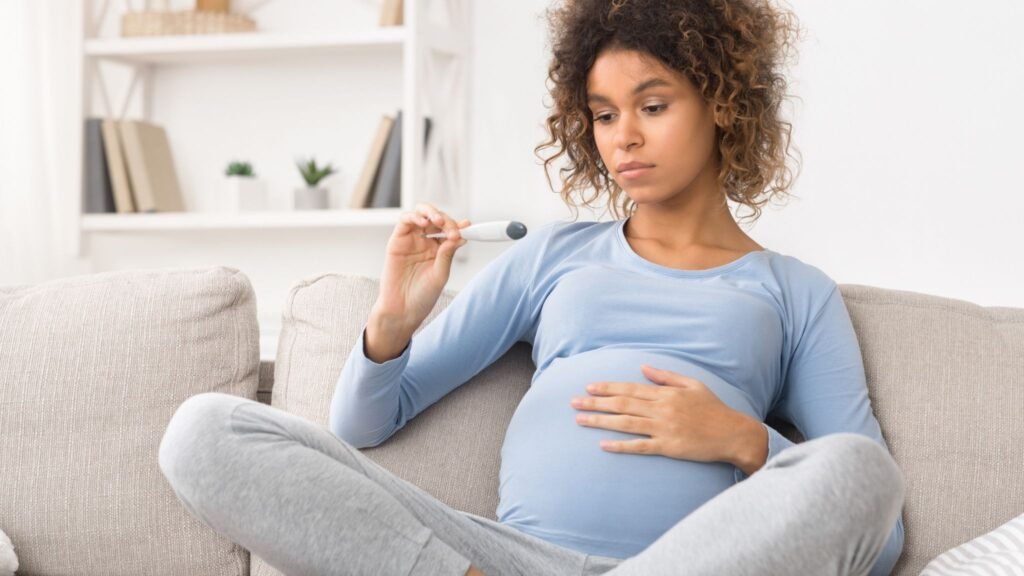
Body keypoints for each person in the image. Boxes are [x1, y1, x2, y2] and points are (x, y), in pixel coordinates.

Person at [157, 0, 906, 574]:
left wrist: (742, 439)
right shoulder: (554, 254)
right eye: (604, 115)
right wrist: (393, 319)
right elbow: (361, 424)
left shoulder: (794, 290)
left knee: (860, 471)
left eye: (652, 106)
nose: (624, 138)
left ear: (722, 104)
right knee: (205, 431)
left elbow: (880, 533)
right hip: (503, 560)